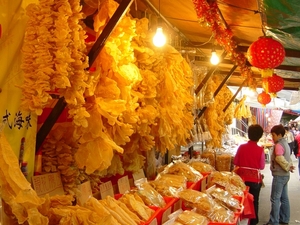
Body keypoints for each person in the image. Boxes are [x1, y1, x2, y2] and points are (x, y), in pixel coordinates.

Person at [233, 124, 265, 225]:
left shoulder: (241, 147)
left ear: (248, 134)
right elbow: (262, 166)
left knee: (242, 201)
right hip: (255, 180)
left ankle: (242, 220)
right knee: (254, 201)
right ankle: (254, 221)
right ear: (260, 136)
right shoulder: (260, 150)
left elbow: (235, 161)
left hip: (241, 179)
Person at [265, 124, 295, 225]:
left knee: (275, 198)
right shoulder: (285, 143)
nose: (272, 137)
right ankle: (284, 219)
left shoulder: (278, 145)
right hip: (285, 176)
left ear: (279, 135)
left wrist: (287, 166)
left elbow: (279, 158)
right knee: (284, 198)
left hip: (279, 175)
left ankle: (274, 221)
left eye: (273, 135)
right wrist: (289, 166)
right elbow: (288, 157)